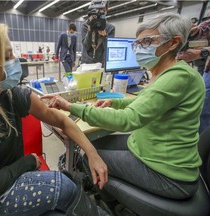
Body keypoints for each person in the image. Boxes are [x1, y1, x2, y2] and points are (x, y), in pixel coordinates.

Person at [0, 16, 110, 216]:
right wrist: (28, 162)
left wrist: (92, 154)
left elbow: (61, 120)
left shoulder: (10, 94)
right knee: (62, 186)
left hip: (14, 180)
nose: (15, 62)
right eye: (6, 57)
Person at [42, 13, 205, 200]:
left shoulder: (178, 77)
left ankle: (100, 203)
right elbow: (146, 99)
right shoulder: (171, 73)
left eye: (146, 42)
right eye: (137, 44)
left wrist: (72, 107)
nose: (139, 49)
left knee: (88, 155)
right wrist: (116, 102)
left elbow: (128, 120)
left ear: (173, 43)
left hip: (167, 172)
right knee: (94, 144)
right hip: (149, 149)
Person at [176, 11, 210, 134]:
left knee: (205, 110)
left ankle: (202, 148)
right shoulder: (206, 25)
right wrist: (192, 31)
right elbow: (203, 29)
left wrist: (202, 52)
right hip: (207, 67)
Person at [81, 0, 115, 66]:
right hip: (86, 63)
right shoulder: (85, 25)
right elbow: (86, 46)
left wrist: (105, 36)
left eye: (101, 9)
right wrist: (90, 31)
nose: (98, 12)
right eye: (96, 9)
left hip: (100, 64)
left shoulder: (110, 28)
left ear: (107, 9)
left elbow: (109, 49)